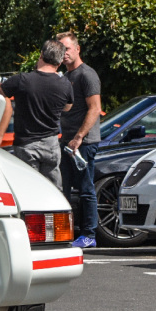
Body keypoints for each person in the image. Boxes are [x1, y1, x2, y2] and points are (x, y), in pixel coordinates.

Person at [0, 39, 71, 189]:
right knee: (53, 191)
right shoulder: (65, 84)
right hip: (51, 144)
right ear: (59, 62)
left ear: (41, 55)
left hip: (26, 145)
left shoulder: (22, 80)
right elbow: (67, 108)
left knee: (29, 190)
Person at [56, 32, 103, 248]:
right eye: (60, 49)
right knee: (62, 188)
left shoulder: (86, 74)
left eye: (66, 48)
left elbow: (95, 109)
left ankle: (89, 235)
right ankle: (66, 234)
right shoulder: (65, 77)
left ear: (77, 49)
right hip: (66, 141)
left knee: (86, 190)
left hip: (83, 143)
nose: (63, 53)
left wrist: (79, 137)